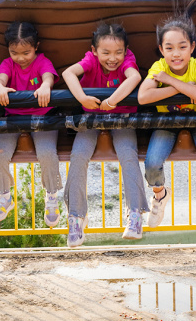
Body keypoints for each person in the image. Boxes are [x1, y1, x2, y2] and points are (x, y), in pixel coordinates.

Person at [138, 0, 196, 226]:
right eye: (170, 48)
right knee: (152, 164)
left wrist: (171, 81)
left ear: (192, 47)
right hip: (168, 122)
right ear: (162, 50)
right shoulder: (159, 66)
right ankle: (160, 194)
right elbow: (144, 97)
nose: (176, 54)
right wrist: (184, 88)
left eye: (182, 47)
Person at [61, 23, 148, 246]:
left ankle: (135, 213)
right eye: (106, 53)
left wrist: (112, 101)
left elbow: (134, 77)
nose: (113, 58)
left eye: (118, 52)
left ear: (126, 51)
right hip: (91, 119)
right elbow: (68, 73)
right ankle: (76, 216)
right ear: (94, 51)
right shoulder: (90, 60)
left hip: (121, 118)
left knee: (128, 155)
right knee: (79, 156)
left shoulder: (128, 61)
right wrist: (81, 98)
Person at [0, 21, 62, 226]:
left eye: (26, 53)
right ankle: (4, 196)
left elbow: (48, 76)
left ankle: (51, 195)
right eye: (14, 53)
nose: (20, 58)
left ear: (36, 47)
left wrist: (46, 86)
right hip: (13, 117)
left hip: (43, 116)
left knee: (47, 153)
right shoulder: (8, 64)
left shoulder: (41, 62)